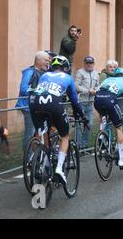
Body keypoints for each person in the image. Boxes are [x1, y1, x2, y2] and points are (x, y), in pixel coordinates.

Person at [29, 56, 89, 184]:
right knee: (65, 136)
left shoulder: (44, 75)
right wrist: (83, 116)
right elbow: (74, 100)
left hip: (34, 104)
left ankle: (41, 161)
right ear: (66, 68)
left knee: (43, 132)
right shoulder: (68, 78)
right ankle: (59, 168)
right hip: (53, 104)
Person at [94, 68, 123, 168]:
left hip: (98, 99)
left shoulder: (107, 80)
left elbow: (97, 89)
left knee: (104, 116)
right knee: (119, 127)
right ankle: (121, 159)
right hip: (110, 99)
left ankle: (102, 135)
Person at [15, 51, 50, 151]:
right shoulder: (30, 72)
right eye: (46, 61)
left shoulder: (43, 73)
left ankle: (35, 157)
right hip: (27, 107)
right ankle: (27, 159)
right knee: (30, 133)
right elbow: (23, 89)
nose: (48, 63)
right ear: (38, 61)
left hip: (36, 107)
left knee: (36, 132)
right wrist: (39, 92)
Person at [75, 56, 100, 150]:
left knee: (89, 124)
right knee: (79, 124)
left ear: (93, 64)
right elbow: (76, 86)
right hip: (81, 101)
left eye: (91, 63)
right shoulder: (79, 72)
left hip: (90, 102)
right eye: (87, 63)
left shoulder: (96, 74)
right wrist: (87, 91)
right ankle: (78, 146)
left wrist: (95, 90)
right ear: (84, 63)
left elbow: (98, 85)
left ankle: (84, 145)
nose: (89, 65)